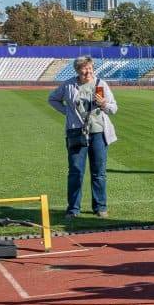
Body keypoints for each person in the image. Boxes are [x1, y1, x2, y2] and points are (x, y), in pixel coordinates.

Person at [48, 56, 117, 219]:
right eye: (84, 68)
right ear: (77, 70)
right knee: (76, 172)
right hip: (76, 132)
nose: (88, 71)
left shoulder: (100, 84)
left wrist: (104, 104)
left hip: (98, 133)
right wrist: (67, 112)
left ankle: (100, 207)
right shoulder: (69, 85)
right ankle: (73, 209)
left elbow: (114, 108)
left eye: (90, 68)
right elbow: (52, 99)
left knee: (99, 172)